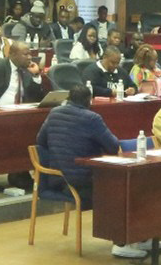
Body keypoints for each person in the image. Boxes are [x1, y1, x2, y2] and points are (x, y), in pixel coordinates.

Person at [33, 86, 122, 241]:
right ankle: (122, 242)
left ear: (69, 98)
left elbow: (40, 141)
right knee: (122, 190)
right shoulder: (92, 118)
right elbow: (113, 146)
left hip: (58, 178)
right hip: (82, 180)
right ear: (89, 101)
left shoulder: (54, 113)